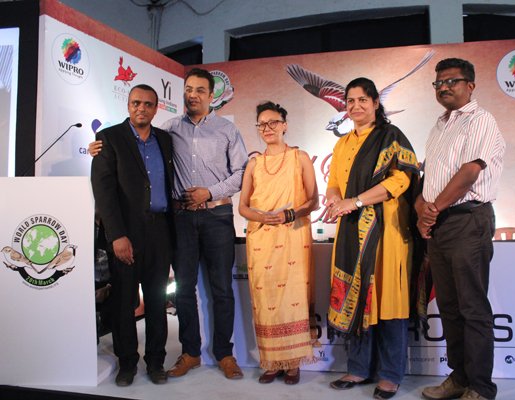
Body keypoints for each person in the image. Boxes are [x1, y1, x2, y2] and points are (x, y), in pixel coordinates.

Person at [89, 68, 248, 380]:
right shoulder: (168, 130)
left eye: (200, 90)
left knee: (221, 289)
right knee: (183, 290)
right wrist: (97, 148)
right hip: (182, 219)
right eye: (188, 89)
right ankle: (190, 352)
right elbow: (130, 146)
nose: (192, 95)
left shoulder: (226, 130)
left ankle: (224, 353)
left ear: (212, 95)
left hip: (216, 216)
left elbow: (242, 172)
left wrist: (210, 192)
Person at [324, 77, 420, 400]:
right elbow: (334, 183)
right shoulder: (342, 144)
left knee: (388, 300)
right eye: (350, 101)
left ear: (376, 103)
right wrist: (335, 200)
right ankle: (359, 368)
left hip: (386, 232)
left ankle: (391, 375)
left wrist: (356, 201)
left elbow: (400, 181)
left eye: (363, 100)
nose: (356, 106)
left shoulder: (391, 137)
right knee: (357, 297)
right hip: (350, 231)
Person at [417, 58, 505, 400]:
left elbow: (469, 172)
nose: (444, 87)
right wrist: (423, 211)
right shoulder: (438, 126)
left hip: (469, 220)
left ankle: (481, 387)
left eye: (451, 81)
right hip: (439, 225)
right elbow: (429, 179)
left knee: (472, 308)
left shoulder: (481, 120)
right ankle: (459, 378)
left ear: (470, 85)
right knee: (450, 307)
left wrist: (433, 210)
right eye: (438, 83)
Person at [91, 84, 174, 387]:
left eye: (148, 104)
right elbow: (104, 191)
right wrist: (117, 235)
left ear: (155, 108)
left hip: (160, 231)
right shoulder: (109, 138)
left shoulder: (164, 139)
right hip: (126, 232)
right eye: (136, 102)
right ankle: (127, 363)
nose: (142, 108)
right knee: (124, 302)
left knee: (157, 301)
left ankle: (155, 362)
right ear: (128, 105)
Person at [238, 101, 319, 385]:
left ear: (284, 125)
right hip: (262, 239)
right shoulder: (254, 163)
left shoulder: (300, 157)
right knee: (266, 299)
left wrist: (290, 214)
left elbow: (314, 200)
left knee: (293, 298)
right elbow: (243, 207)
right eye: (262, 124)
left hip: (293, 235)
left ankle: (293, 363)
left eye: (273, 122)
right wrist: (262, 216)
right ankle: (272, 361)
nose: (267, 128)